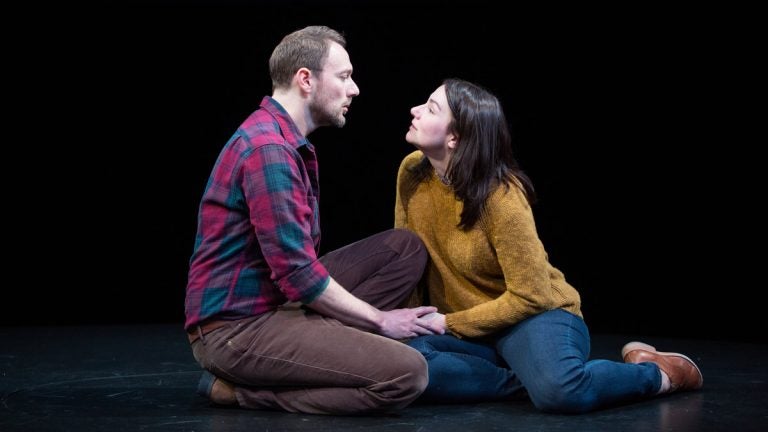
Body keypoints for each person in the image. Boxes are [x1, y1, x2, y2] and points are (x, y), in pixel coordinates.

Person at [394, 78, 703, 414]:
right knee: (404, 363)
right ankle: (530, 378)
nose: (416, 110)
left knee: (561, 392)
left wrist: (448, 324)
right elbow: (409, 259)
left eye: (431, 108)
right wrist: (409, 322)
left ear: (455, 137)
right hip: (473, 336)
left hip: (534, 318)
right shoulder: (411, 172)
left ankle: (659, 374)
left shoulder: (502, 197)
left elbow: (531, 296)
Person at [184, 26, 442, 415]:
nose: (354, 89)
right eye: (343, 77)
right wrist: (380, 322)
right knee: (407, 373)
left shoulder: (284, 139)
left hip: (278, 304)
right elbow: (299, 275)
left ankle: (319, 343)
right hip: (235, 331)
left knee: (403, 249)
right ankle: (240, 391)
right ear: (305, 79)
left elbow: (296, 275)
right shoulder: (268, 150)